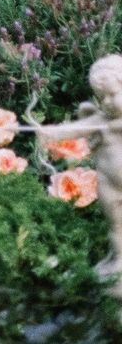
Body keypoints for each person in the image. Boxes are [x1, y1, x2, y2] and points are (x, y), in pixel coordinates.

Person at [29, 53, 122, 291]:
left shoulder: (108, 123)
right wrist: (50, 132)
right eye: (102, 98)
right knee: (116, 226)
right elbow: (75, 129)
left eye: (113, 95)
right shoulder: (100, 119)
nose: (108, 102)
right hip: (108, 182)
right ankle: (119, 261)